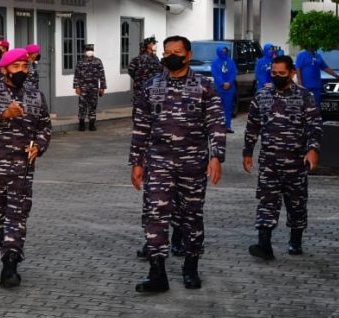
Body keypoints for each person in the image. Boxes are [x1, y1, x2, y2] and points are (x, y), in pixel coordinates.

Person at [130, 35, 226, 293]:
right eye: (167, 51)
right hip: (158, 161)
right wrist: (136, 161)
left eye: (177, 51)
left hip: (193, 162)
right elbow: (141, 126)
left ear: (188, 55)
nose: (171, 55)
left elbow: (216, 122)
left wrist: (216, 156)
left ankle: (191, 265)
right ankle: (157, 272)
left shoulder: (204, 86)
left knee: (191, 216)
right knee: (155, 214)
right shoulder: (151, 86)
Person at [0, 47, 52, 287]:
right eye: (16, 67)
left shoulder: (36, 96)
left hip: (21, 167)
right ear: (4, 69)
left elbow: (44, 126)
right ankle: (5, 246)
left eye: (25, 66)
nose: (22, 71)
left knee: (17, 216)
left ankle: (10, 263)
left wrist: (39, 146)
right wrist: (4, 113)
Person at [243, 55, 321, 259]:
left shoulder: (304, 96)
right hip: (269, 162)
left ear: (292, 73)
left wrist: (313, 149)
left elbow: (315, 126)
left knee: (296, 204)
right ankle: (264, 245)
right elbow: (252, 125)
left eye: (282, 74)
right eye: (274, 73)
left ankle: (295, 241)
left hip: (296, 162)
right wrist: (247, 152)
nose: (277, 76)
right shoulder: (263, 95)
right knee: (267, 202)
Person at [127, 35, 166, 260]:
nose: (154, 47)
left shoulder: (142, 60)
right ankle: (152, 243)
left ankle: (172, 240)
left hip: (148, 95)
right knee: (153, 203)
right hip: (147, 95)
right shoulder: (148, 61)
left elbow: (132, 71)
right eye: (153, 44)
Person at [127, 36, 162, 123]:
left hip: (154, 87)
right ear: (148, 45)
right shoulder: (138, 59)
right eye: (153, 44)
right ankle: (137, 123)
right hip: (141, 88)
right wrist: (139, 80)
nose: (155, 45)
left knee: (152, 106)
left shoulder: (156, 58)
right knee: (139, 106)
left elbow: (159, 71)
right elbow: (131, 71)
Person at [73, 43, 106, 131]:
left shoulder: (98, 61)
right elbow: (76, 75)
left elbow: (102, 75)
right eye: (88, 50)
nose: (89, 52)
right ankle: (81, 124)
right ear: (84, 51)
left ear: (93, 51)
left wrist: (102, 87)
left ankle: (92, 124)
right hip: (83, 87)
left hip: (94, 88)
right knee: (82, 106)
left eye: (91, 50)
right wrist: (76, 86)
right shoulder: (80, 62)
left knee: (93, 105)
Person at [211, 46, 238, 133]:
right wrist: (222, 83)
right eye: (222, 51)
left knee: (228, 108)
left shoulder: (230, 62)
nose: (224, 53)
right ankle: (218, 126)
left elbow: (233, 72)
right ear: (218, 52)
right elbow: (216, 74)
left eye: (225, 51)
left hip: (229, 89)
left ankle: (228, 126)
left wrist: (229, 83)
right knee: (218, 108)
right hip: (219, 88)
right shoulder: (215, 63)